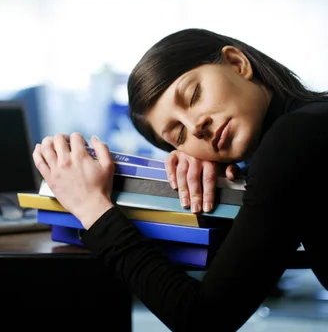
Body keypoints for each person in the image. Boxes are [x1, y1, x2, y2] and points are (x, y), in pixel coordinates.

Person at [33, 28, 328, 331]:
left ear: (237, 63)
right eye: (180, 134)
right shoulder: (308, 124)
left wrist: (92, 208)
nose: (197, 126)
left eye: (194, 95)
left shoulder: (293, 140)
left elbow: (202, 320)